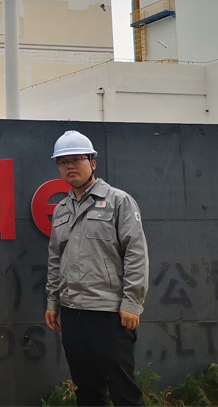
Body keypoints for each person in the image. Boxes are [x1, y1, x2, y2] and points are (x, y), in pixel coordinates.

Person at [44, 130, 149, 406]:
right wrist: (53, 302)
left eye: (76, 159)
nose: (69, 166)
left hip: (109, 313)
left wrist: (132, 302)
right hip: (72, 313)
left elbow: (136, 253)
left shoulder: (118, 201)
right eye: (63, 162)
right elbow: (56, 259)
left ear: (93, 162)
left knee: (123, 391)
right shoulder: (61, 209)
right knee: (87, 391)